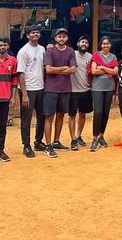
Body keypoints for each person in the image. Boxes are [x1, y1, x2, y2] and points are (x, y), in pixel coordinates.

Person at [43, 28, 77, 158]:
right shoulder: (50, 50)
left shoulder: (70, 51)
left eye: (64, 36)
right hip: (51, 88)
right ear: (55, 38)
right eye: (59, 36)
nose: (61, 38)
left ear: (67, 38)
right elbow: (49, 70)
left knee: (61, 115)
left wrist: (57, 70)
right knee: (49, 116)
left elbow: (73, 69)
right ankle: (48, 145)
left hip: (65, 89)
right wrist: (64, 68)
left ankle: (56, 141)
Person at [17, 25, 46, 158]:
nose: (35, 34)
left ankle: (38, 141)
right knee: (26, 118)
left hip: (40, 88)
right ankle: (26, 145)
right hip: (28, 89)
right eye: (32, 33)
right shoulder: (23, 51)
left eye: (37, 32)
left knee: (42, 116)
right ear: (27, 35)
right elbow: (20, 73)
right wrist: (24, 94)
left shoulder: (42, 49)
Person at [90, 36, 119, 152]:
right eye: (103, 44)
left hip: (109, 88)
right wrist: (108, 69)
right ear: (100, 45)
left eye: (107, 44)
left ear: (110, 45)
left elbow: (116, 72)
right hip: (97, 88)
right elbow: (94, 71)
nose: (105, 46)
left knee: (106, 113)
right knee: (98, 112)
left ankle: (101, 135)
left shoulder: (113, 57)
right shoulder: (96, 55)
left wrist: (102, 67)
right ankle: (94, 137)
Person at [68, 35, 93, 150]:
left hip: (86, 90)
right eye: (82, 42)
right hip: (73, 90)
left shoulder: (91, 57)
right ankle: (73, 139)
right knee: (72, 115)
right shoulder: (71, 54)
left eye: (86, 43)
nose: (84, 44)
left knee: (83, 114)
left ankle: (78, 136)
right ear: (78, 43)